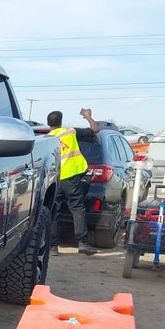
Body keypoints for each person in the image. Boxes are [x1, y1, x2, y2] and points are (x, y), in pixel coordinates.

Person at [47, 108, 100, 255]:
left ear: (48, 123)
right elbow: (95, 129)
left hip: (55, 179)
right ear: (61, 122)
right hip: (71, 176)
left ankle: (52, 247)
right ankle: (83, 243)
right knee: (77, 209)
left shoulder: (47, 138)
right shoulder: (70, 132)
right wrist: (88, 117)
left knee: (54, 212)